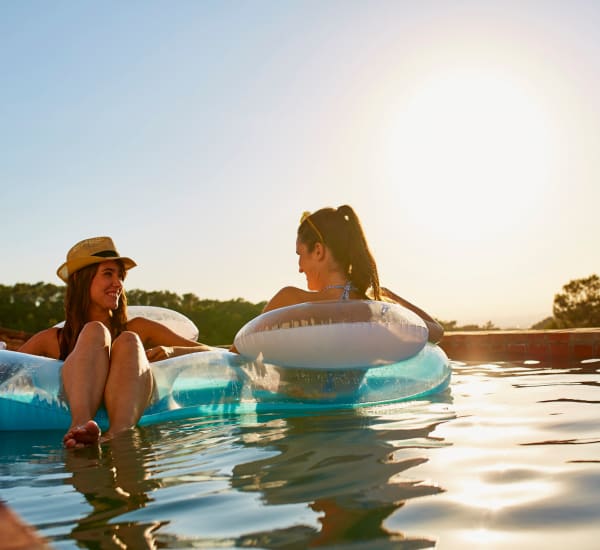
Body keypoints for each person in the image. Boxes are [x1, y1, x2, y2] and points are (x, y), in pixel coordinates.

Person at [18, 236, 211, 448]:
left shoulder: (138, 328)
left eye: (120, 276)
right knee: (94, 332)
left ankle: (118, 433)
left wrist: (169, 350)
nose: (118, 283)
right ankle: (81, 425)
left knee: (128, 340)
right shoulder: (52, 339)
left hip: (131, 412)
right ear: (83, 280)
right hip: (67, 408)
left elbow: (207, 351)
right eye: (108, 274)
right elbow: (8, 370)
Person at [262, 205, 444, 343]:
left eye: (300, 255)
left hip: (291, 394)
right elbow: (436, 332)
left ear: (318, 251)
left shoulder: (290, 300)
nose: (300, 268)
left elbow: (240, 352)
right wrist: (386, 294)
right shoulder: (373, 312)